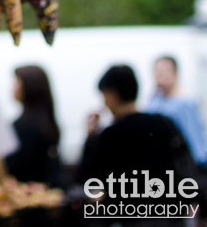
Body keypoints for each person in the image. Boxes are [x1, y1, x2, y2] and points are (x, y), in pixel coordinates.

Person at [77, 65, 203, 226]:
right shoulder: (164, 122)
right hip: (171, 216)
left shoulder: (112, 135)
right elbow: (186, 164)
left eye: (104, 96)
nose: (104, 102)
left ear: (113, 94)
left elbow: (86, 175)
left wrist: (90, 137)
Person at [5, 65, 62, 187]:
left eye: (17, 82)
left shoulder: (21, 127)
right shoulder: (47, 122)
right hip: (46, 193)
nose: (12, 87)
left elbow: (13, 169)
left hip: (25, 194)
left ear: (28, 87)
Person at [146, 56, 207, 166]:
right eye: (157, 72)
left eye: (165, 72)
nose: (160, 77)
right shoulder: (153, 100)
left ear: (175, 74)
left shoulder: (186, 103)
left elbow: (194, 141)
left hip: (180, 164)